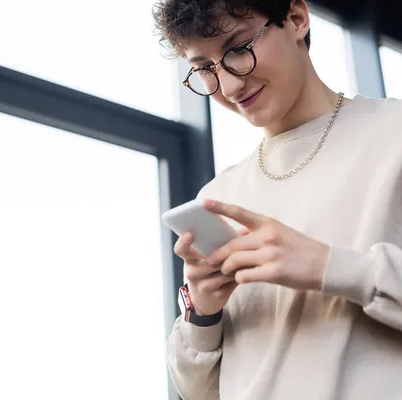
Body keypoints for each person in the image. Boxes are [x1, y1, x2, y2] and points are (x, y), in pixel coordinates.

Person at [152, 0, 402, 399]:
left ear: (297, 18)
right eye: (204, 69)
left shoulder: (393, 134)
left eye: (237, 49)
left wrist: (329, 266)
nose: (229, 86)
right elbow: (201, 391)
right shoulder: (218, 197)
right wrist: (203, 311)